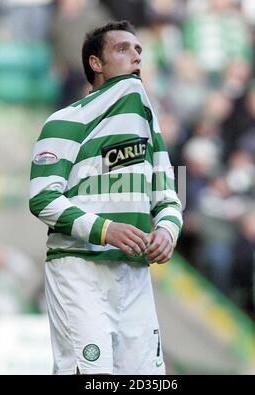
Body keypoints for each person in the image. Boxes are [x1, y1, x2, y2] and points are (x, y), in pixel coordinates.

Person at [29, 20, 182, 375]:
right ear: (96, 63)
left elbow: (169, 199)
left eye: (139, 51)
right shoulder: (64, 121)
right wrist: (106, 230)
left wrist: (167, 232)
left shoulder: (149, 129)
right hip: (79, 267)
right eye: (122, 49)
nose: (136, 58)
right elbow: (42, 198)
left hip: (135, 274)